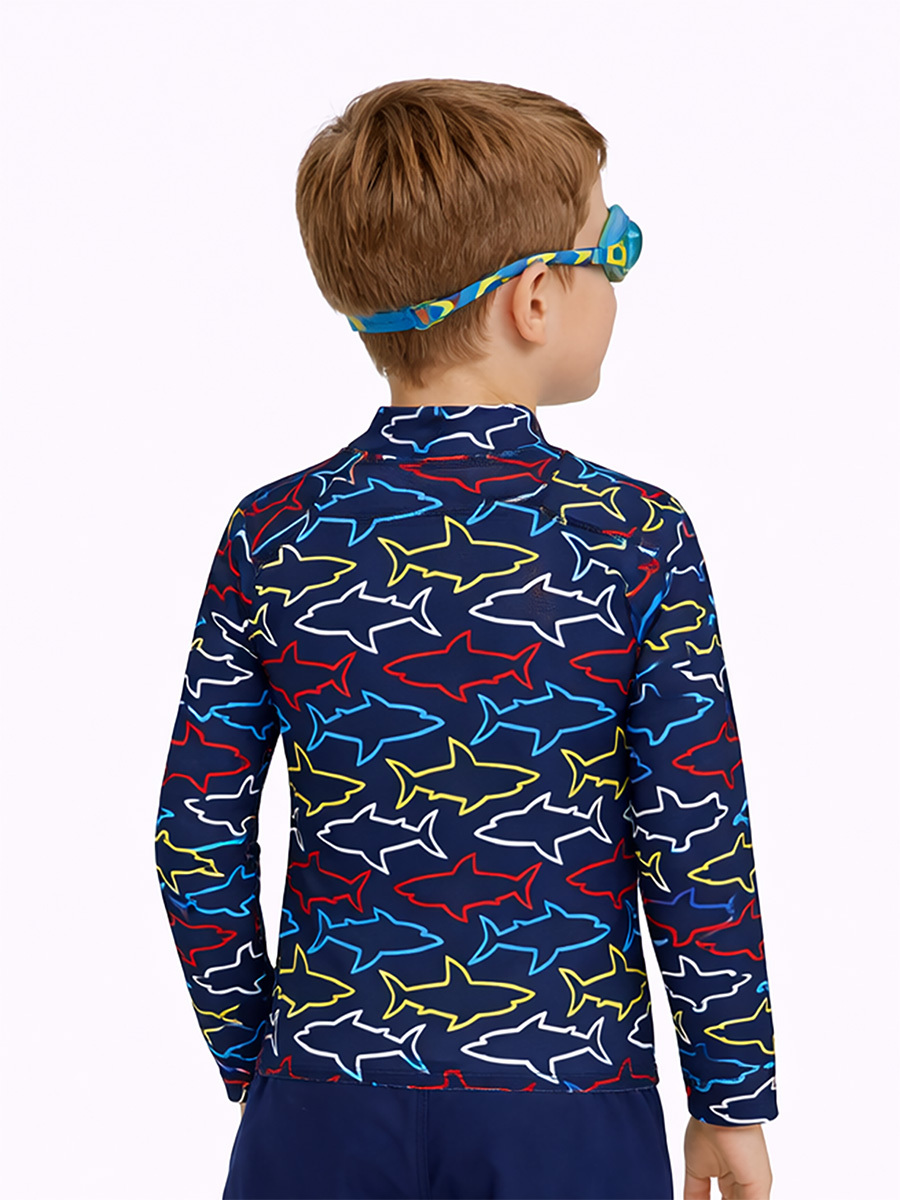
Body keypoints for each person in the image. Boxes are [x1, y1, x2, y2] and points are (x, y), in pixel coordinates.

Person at [155, 78, 778, 1200]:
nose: (619, 283)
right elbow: (694, 837)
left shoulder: (272, 533)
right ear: (535, 298)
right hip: (568, 1102)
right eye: (614, 250)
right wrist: (729, 1095)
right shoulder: (634, 536)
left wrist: (267, 1061)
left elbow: (195, 832)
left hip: (322, 1093)